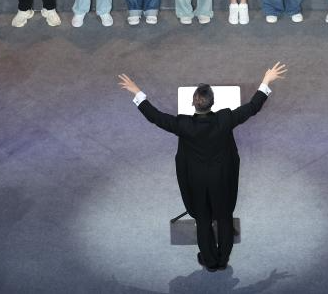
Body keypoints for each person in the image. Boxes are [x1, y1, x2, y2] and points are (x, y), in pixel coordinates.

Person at [117, 62, 288, 272]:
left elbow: (155, 117)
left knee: (203, 220)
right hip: (221, 178)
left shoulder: (183, 125)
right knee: (224, 218)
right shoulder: (225, 119)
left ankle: (210, 261)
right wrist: (266, 81)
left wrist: (136, 92)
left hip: (196, 180)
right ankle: (222, 259)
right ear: (212, 103)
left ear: (193, 104)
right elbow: (253, 107)